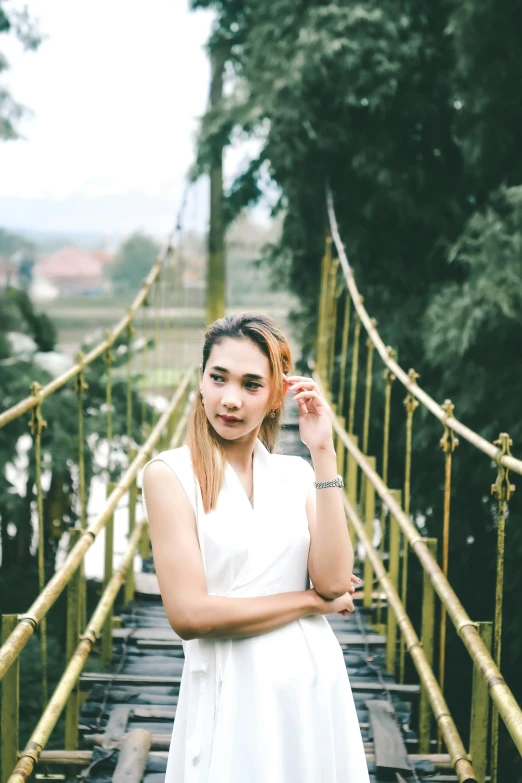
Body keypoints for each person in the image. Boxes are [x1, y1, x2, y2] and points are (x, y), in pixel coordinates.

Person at [142, 312, 370, 783]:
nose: (230, 399)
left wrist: (322, 451)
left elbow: (332, 579)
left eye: (251, 385)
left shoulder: (297, 476)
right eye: (218, 377)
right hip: (233, 694)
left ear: (273, 399)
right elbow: (189, 617)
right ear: (201, 382)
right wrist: (310, 602)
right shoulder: (169, 475)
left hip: (311, 688)